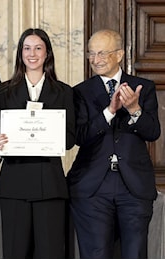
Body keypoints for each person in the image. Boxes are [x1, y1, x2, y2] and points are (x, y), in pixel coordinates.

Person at [67, 29, 161, 258]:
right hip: (93, 187)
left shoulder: (142, 87)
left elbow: (153, 132)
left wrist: (134, 110)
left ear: (119, 55)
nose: (95, 60)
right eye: (91, 54)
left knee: (134, 254)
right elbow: (78, 136)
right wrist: (109, 112)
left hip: (134, 187)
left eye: (102, 53)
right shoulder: (79, 92)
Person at [0, 28, 75, 258]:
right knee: (15, 253)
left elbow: (69, 140)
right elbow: (0, 134)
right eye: (27, 48)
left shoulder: (65, 92)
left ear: (47, 53)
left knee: (50, 253)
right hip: (14, 184)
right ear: (20, 54)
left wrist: (50, 132)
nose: (32, 54)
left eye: (38, 48)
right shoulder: (4, 91)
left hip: (49, 184)